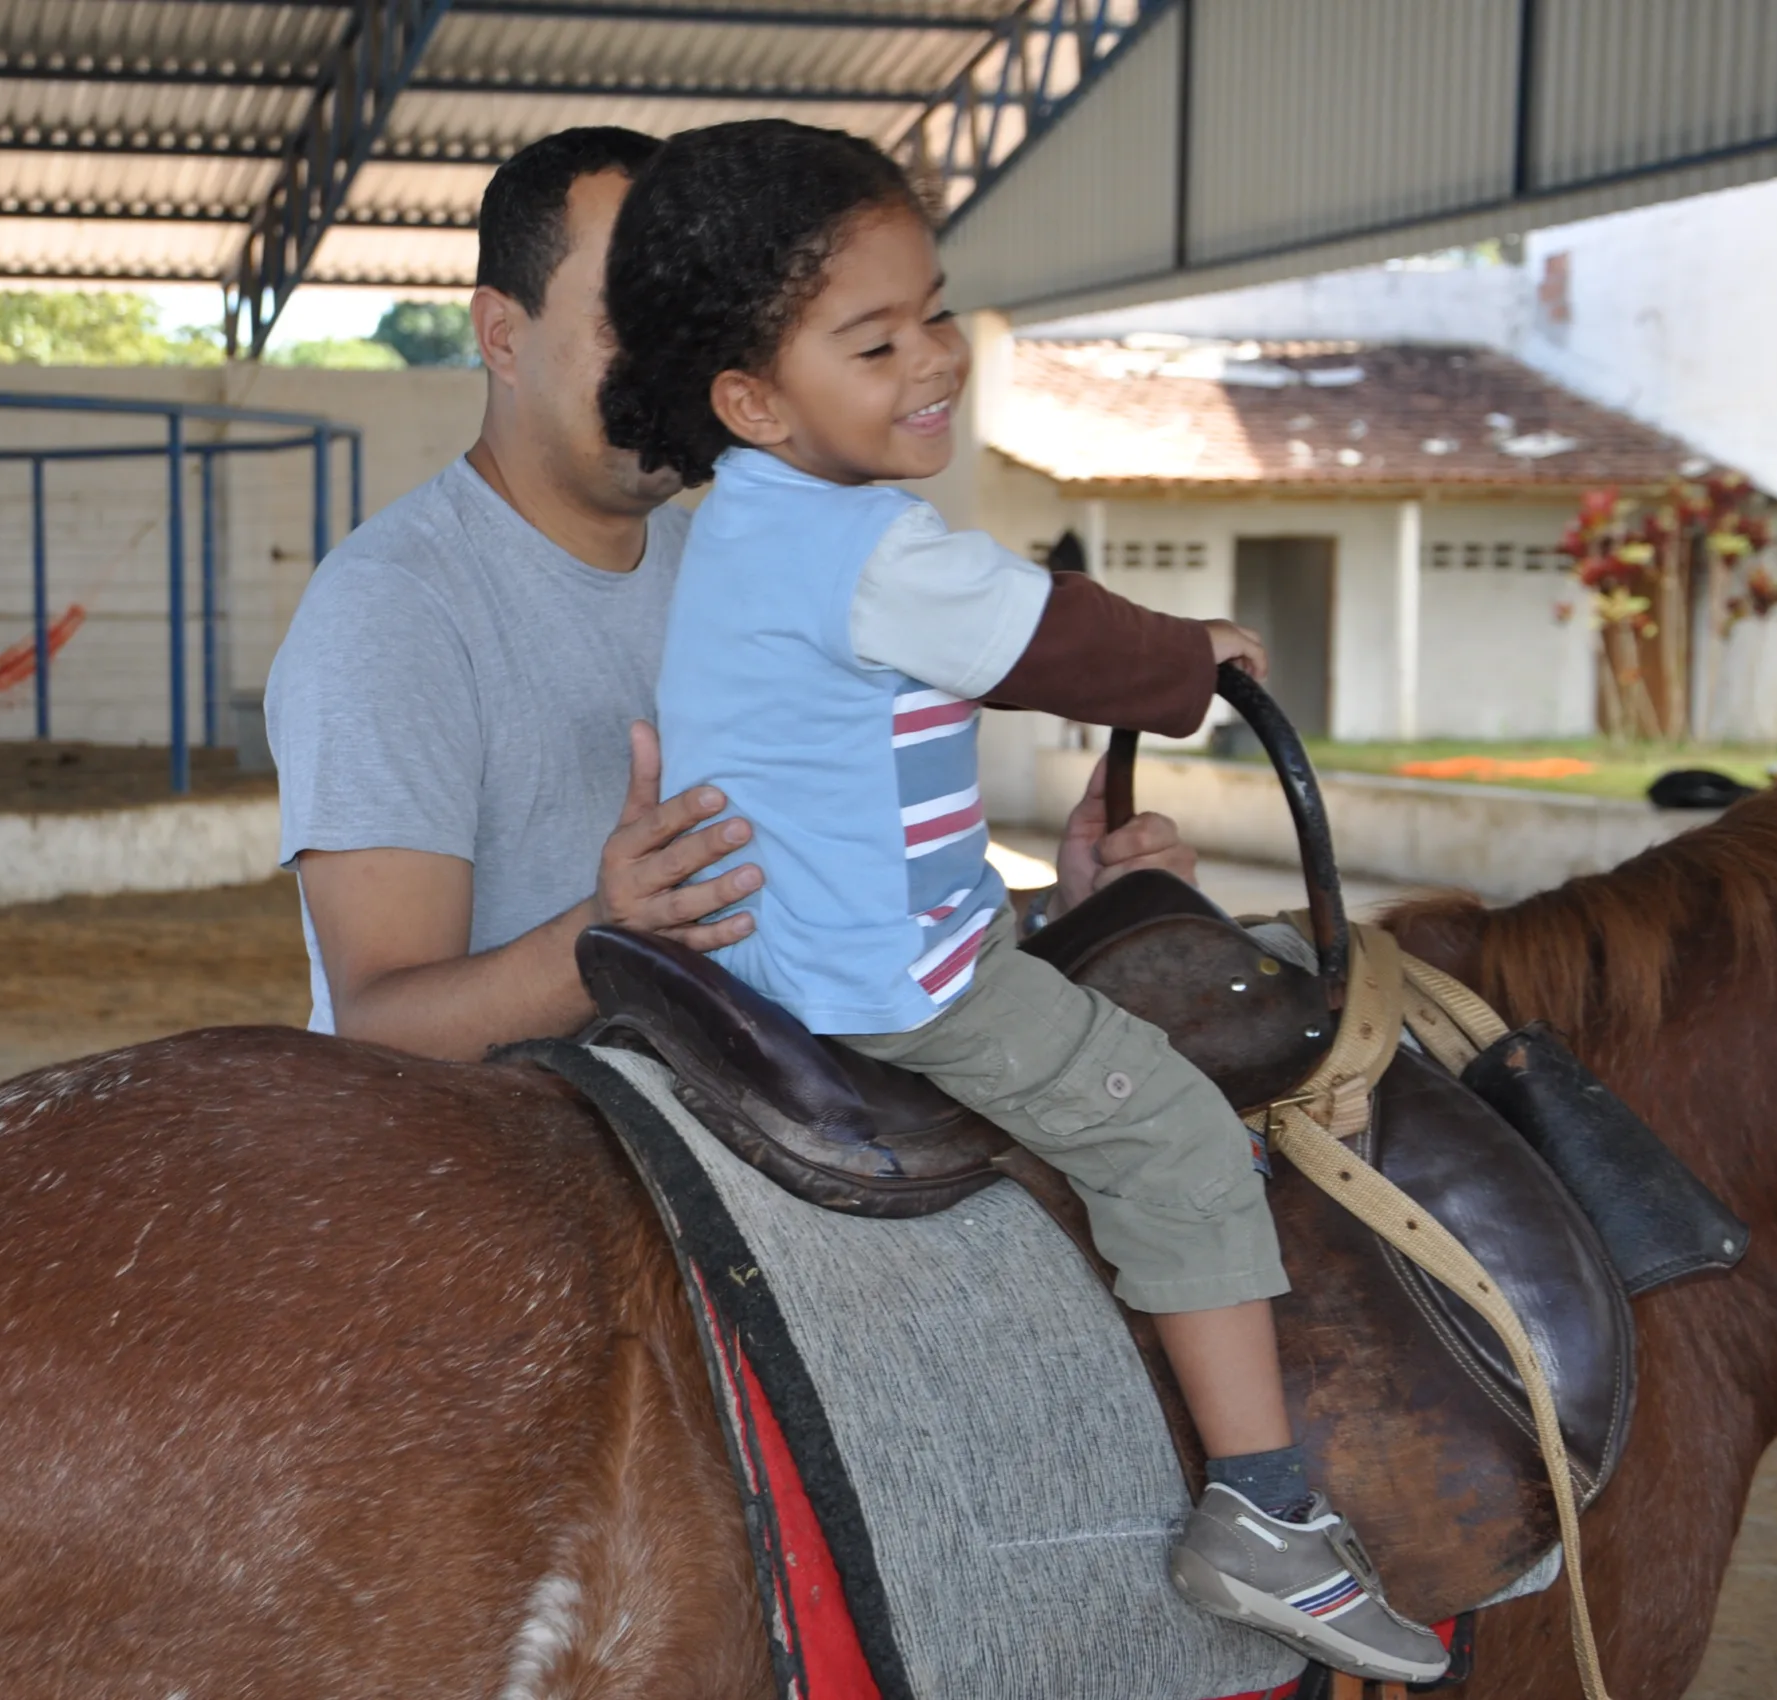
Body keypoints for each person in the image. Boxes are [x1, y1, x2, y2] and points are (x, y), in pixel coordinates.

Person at [598, 119, 1448, 1686]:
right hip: (891, 977)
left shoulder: (745, 529)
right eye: (874, 341)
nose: (931, 359)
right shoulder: (866, 546)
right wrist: (1190, 660)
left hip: (781, 944)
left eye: (935, 312)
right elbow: (1057, 638)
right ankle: (1261, 1513)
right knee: (1174, 1130)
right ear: (753, 399)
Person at [266, 126, 1199, 1062]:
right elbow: (377, 1024)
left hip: (752, 1137)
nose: (672, 367)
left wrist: (1058, 911)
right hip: (503, 1172)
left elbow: (835, 924)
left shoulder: (747, 563)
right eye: (627, 320)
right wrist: (605, 938)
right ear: (503, 336)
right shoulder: (393, 610)